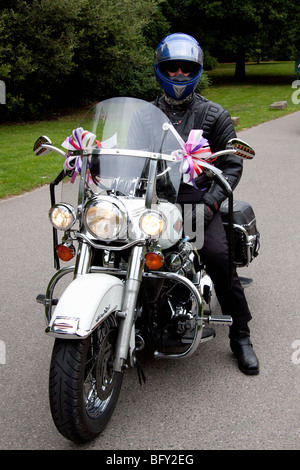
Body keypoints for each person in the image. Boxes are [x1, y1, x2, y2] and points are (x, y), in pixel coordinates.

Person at [154, 32, 259, 375]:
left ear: (195, 70)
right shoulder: (146, 114)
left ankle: (241, 336)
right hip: (154, 202)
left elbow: (232, 164)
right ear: (162, 69)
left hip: (200, 200)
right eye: (173, 68)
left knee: (215, 254)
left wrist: (210, 204)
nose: (180, 74)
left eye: (186, 68)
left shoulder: (214, 114)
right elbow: (125, 152)